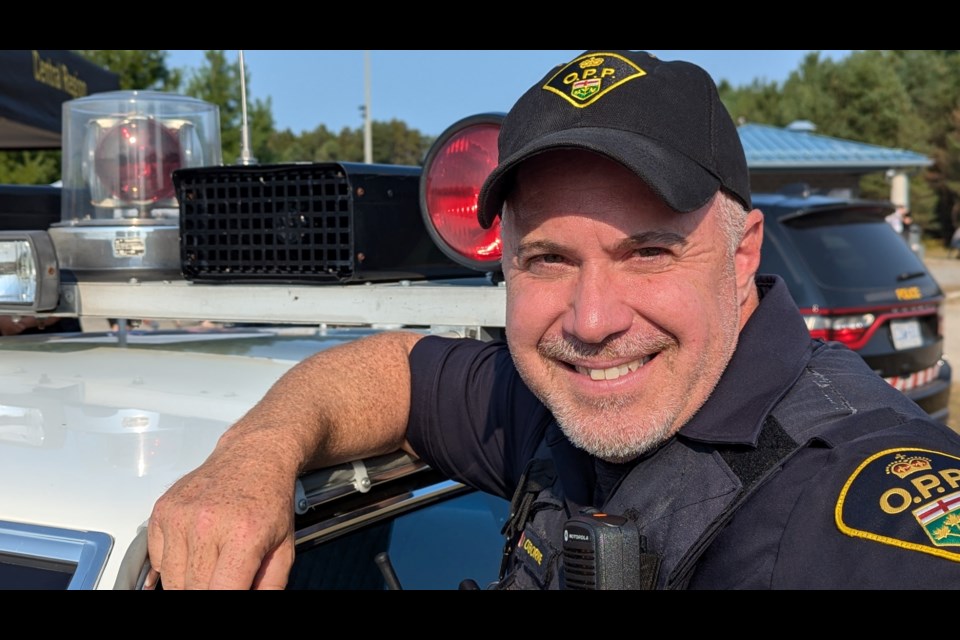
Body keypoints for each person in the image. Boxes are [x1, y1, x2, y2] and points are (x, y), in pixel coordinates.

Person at [147, 50, 960, 590]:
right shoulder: (550, 402)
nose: (593, 320)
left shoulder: (858, 503)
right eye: (547, 260)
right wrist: (252, 458)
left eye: (648, 252)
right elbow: (391, 368)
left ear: (743, 254)